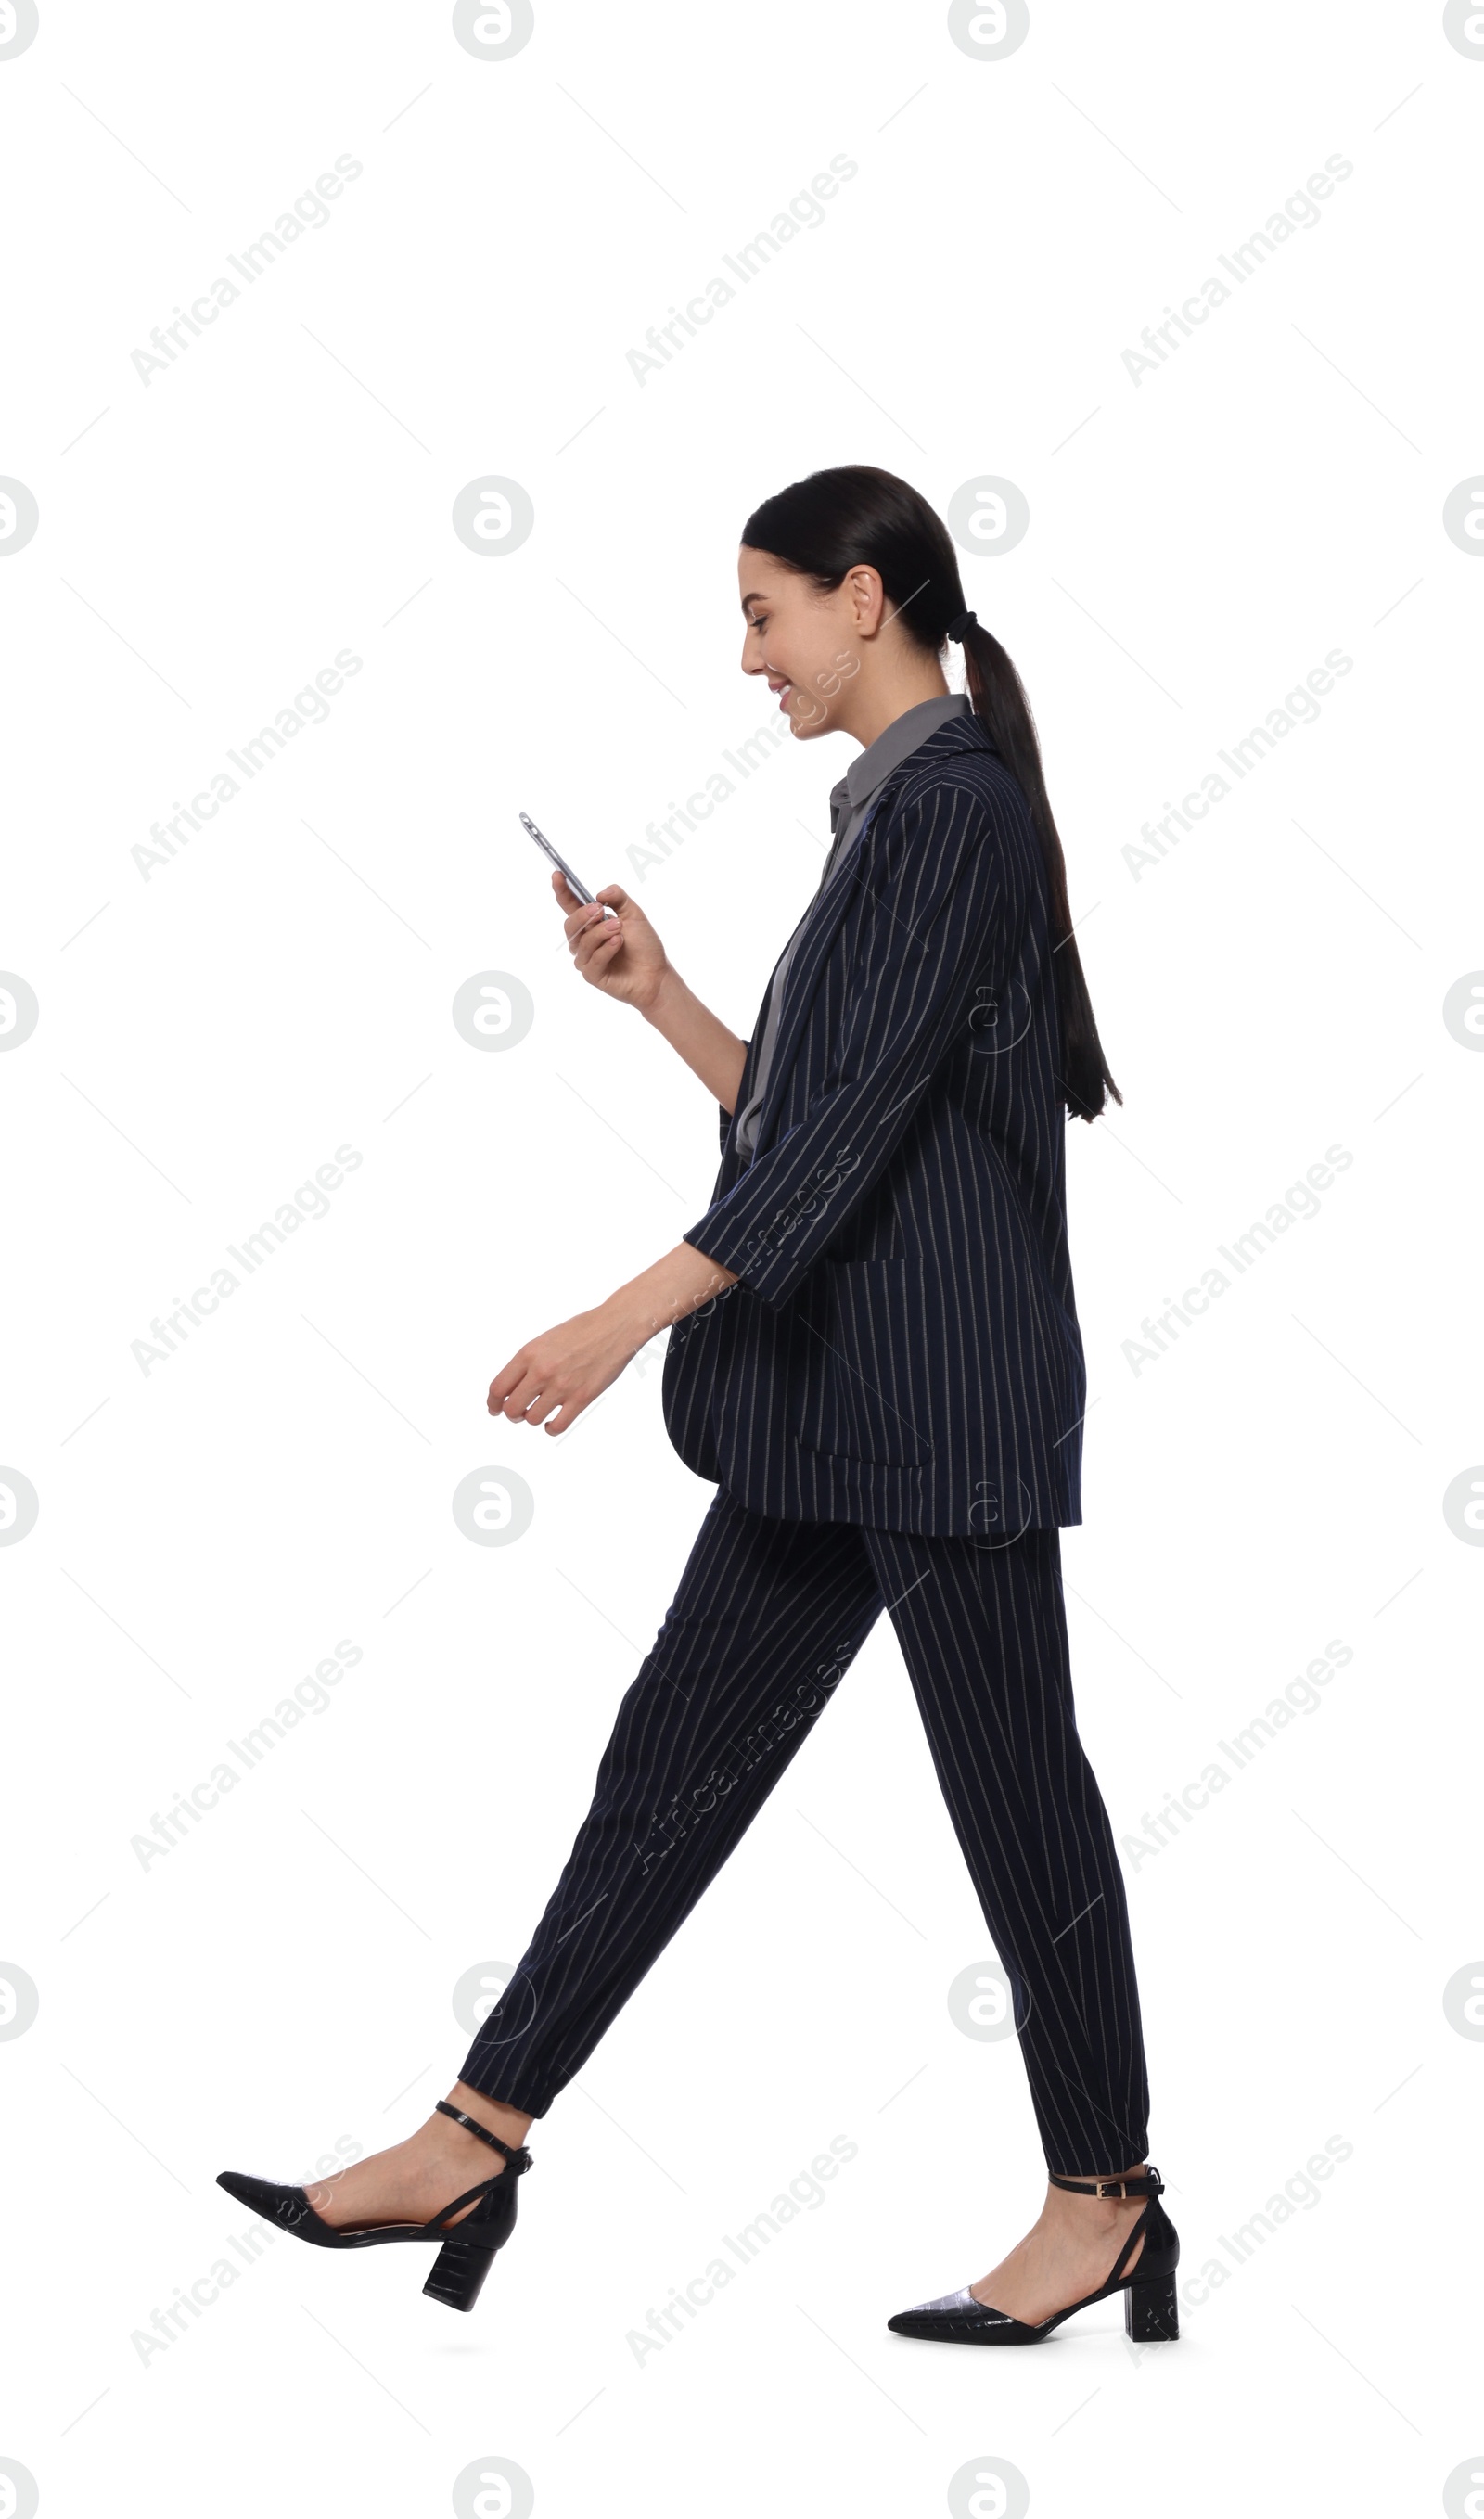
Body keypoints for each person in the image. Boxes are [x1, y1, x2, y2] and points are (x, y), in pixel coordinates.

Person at [219, 464, 1181, 2344]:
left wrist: (615, 1315)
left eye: (763, 610)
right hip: (833, 1395)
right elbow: (817, 1123)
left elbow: (823, 1157)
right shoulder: (888, 816)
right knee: (665, 1766)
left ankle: (1103, 2196)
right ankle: (475, 2126)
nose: (745, 653)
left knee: (1016, 1802)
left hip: (941, 1406)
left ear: (867, 597)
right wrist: (658, 997)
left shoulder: (953, 816)